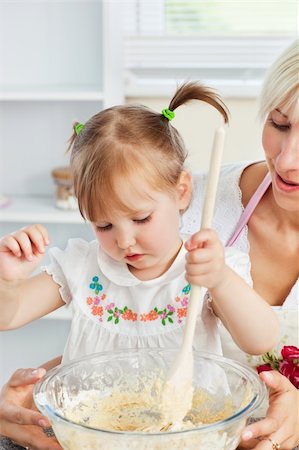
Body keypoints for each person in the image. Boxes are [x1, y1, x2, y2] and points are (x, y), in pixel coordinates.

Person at [0, 83, 279, 448]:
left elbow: (262, 340)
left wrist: (220, 279)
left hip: (192, 432)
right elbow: (9, 315)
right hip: (94, 434)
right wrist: (8, 281)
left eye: (141, 218)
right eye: (104, 225)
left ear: (181, 192)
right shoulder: (83, 266)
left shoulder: (205, 266)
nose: (124, 240)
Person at [181, 39, 299, 450]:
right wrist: (36, 394)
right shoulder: (198, 202)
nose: (286, 160)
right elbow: (120, 321)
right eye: (280, 124)